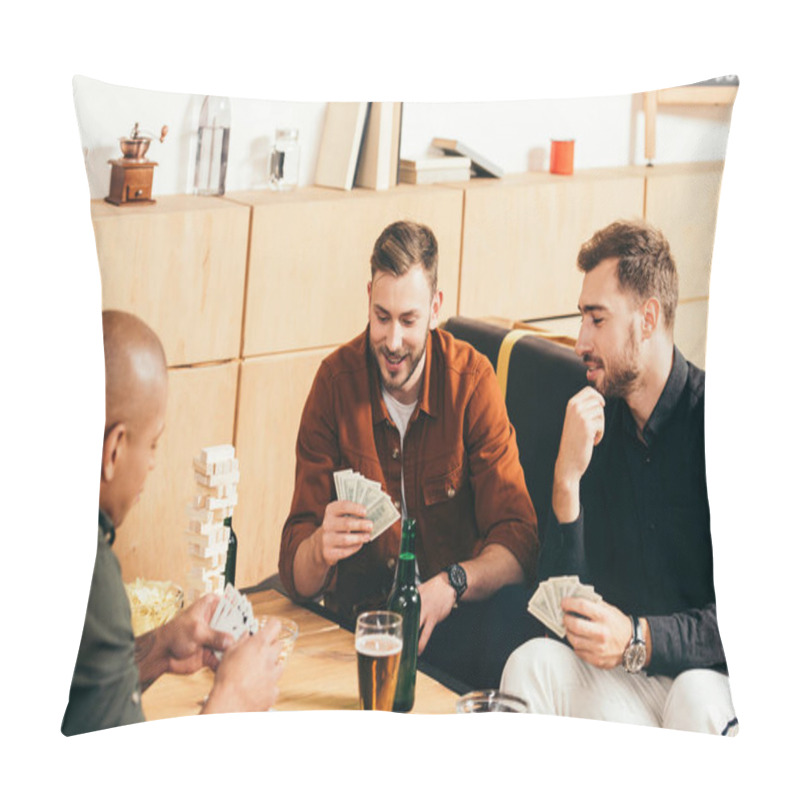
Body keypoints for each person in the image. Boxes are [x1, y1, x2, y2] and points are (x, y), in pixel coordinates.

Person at [279, 220, 541, 689]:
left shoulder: (472, 381)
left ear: (436, 309)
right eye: (382, 318)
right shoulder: (334, 384)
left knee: (512, 617)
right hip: (360, 628)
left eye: (409, 320)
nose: (393, 342)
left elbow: (519, 542)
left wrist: (451, 585)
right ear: (368, 298)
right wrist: (319, 547)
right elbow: (296, 572)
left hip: (455, 622)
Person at [500, 220, 738, 734]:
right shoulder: (592, 418)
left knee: (695, 696)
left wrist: (639, 637)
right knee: (530, 663)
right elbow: (556, 608)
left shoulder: (723, 427)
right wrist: (566, 482)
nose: (581, 340)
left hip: (712, 684)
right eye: (581, 318)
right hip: (630, 683)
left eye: (597, 319)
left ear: (647, 318)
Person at [62, 310, 285, 736]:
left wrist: (159, 649)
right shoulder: (92, 574)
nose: (151, 464)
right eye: (152, 444)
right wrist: (232, 700)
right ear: (113, 450)